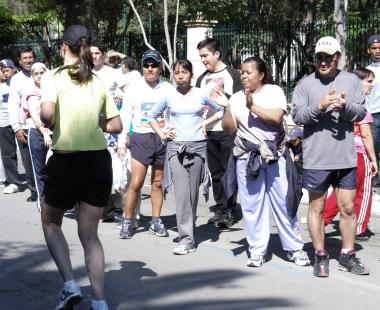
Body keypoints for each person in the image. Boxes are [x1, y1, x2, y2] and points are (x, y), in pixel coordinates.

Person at [40, 25, 122, 310]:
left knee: (50, 222)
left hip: (67, 158)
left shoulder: (53, 76)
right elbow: (116, 124)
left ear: (64, 46)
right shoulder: (97, 80)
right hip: (98, 161)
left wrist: (47, 120)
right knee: (90, 235)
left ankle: (70, 285)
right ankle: (99, 302)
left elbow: (48, 114)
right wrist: (94, 121)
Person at [211, 56, 310, 268]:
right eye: (242, 72)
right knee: (251, 205)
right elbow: (229, 129)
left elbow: (275, 118)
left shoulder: (274, 91)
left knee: (284, 202)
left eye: (249, 72)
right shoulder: (236, 98)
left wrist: (252, 106)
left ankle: (295, 248)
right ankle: (256, 250)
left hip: (274, 156)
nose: (244, 75)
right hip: (248, 157)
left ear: (261, 74)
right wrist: (227, 108)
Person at [292, 36, 369, 277]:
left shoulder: (351, 81)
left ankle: (347, 255)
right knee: (317, 206)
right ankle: (320, 255)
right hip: (317, 158)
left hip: (345, 158)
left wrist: (345, 107)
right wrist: (321, 105)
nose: (323, 62)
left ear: (338, 57)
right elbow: (297, 116)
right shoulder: (305, 84)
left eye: (328, 57)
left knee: (347, 208)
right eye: (319, 57)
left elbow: (362, 112)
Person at [148, 59, 223, 255]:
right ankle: (186, 239)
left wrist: (205, 123)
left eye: (184, 72)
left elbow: (222, 109)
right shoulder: (168, 94)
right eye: (177, 73)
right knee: (181, 193)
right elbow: (151, 115)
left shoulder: (201, 93)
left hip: (198, 147)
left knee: (192, 193)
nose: (180, 76)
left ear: (192, 74)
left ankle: (188, 233)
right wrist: (163, 133)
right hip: (175, 148)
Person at [118, 49, 177, 239]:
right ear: (142, 67)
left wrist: (171, 132)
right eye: (147, 65)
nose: (150, 69)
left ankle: (155, 220)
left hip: (161, 139)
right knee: (135, 183)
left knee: (158, 183)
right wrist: (122, 141)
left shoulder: (168, 89)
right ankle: (127, 221)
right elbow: (125, 116)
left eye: (154, 65)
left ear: (160, 67)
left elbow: (173, 114)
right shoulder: (134, 89)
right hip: (141, 138)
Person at [324, 67, 378, 241]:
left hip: (341, 152)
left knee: (342, 190)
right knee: (363, 191)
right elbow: (366, 134)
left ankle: (321, 218)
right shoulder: (361, 105)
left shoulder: (339, 100)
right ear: (358, 82)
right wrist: (373, 159)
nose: (372, 85)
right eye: (369, 81)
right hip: (360, 154)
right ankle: (360, 227)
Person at [196, 38, 244, 228]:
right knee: (215, 173)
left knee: (228, 172)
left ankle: (230, 209)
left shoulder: (232, 75)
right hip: (208, 132)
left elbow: (238, 102)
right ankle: (221, 208)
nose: (203, 60)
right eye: (200, 57)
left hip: (227, 130)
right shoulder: (201, 78)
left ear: (217, 54)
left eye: (205, 55)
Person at [91, 42, 125, 222]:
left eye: (98, 53)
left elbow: (128, 93)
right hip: (90, 125)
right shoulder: (85, 73)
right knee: (93, 167)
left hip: (110, 126)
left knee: (114, 165)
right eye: (92, 53)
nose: (95, 56)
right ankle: (97, 206)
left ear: (103, 55)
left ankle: (118, 205)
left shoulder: (113, 73)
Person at [7, 46, 37, 201]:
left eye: (30, 57)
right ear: (19, 61)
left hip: (43, 126)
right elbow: (13, 105)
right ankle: (34, 190)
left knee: (47, 159)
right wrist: (17, 128)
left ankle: (47, 189)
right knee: (28, 160)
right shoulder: (16, 80)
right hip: (25, 127)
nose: (28, 60)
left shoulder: (41, 74)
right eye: (25, 58)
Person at [23, 62, 51, 211]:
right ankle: (43, 202)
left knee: (55, 169)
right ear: (33, 76)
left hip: (53, 132)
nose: (40, 76)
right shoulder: (31, 92)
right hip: (37, 133)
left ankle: (59, 201)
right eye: (36, 73)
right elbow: (34, 114)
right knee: (39, 170)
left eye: (42, 72)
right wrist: (44, 131)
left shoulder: (51, 90)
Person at [0, 59, 22, 194]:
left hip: (21, 122)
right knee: (8, 154)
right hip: (4, 123)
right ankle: (13, 182)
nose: (5, 73)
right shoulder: (2, 86)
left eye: (7, 70)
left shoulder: (20, 82)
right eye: (3, 71)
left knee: (27, 154)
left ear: (14, 68)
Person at [366, 35, 380, 189]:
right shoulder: (366, 71)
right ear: (368, 50)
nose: (377, 51)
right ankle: (375, 183)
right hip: (373, 116)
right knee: (374, 149)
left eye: (379, 48)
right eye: (374, 48)